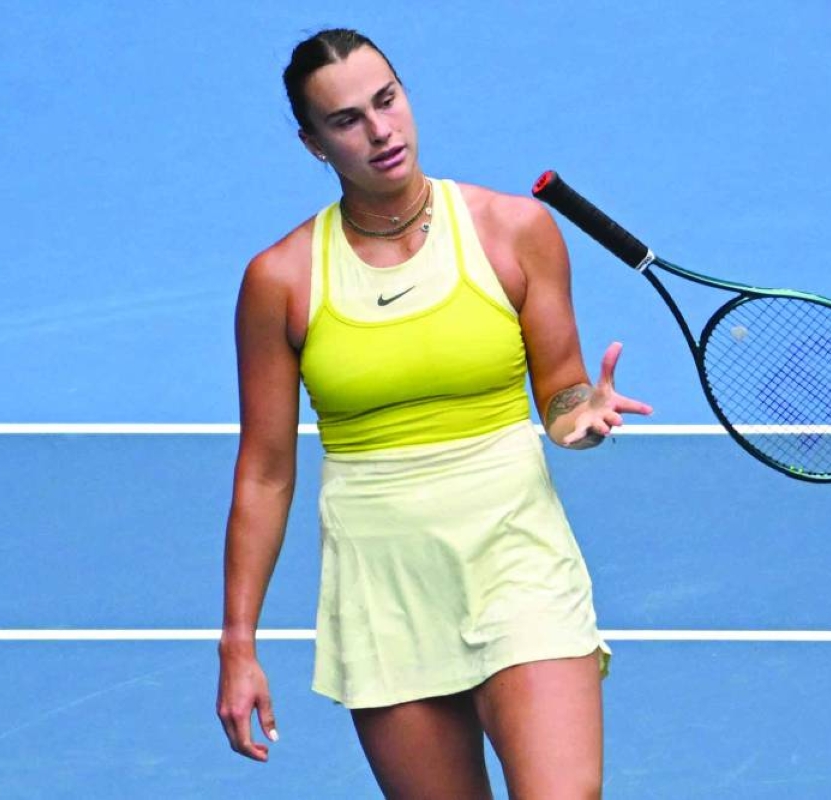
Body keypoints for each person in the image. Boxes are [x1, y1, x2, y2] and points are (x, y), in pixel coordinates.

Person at [216, 28, 652, 799]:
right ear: (313, 143)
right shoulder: (280, 280)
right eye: (347, 120)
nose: (381, 131)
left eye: (387, 101)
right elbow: (266, 472)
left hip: (517, 560)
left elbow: (559, 393)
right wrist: (239, 644)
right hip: (384, 587)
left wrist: (580, 414)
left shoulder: (514, 231)